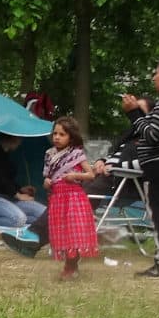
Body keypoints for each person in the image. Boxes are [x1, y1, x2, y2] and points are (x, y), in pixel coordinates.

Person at [97, 57, 159, 278]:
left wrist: (133, 113)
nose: (154, 76)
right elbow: (154, 128)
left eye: (157, 72)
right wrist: (140, 114)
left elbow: (150, 135)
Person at [43, 117, 99, 279]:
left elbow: (91, 175)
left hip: (74, 198)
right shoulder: (49, 155)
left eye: (62, 134)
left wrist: (75, 175)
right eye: (55, 133)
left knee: (73, 232)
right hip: (57, 199)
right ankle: (69, 266)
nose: (57, 137)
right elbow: (48, 178)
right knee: (62, 232)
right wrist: (46, 182)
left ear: (71, 136)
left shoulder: (76, 154)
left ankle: (71, 266)